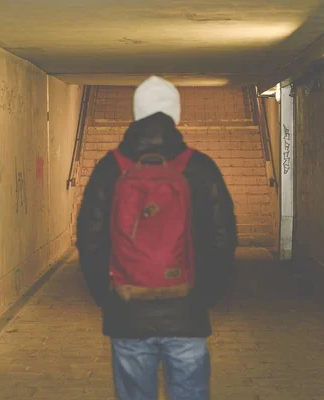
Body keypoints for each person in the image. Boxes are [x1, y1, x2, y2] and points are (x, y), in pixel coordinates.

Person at [76, 76, 238, 400]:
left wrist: (106, 296)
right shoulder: (200, 168)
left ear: (136, 115)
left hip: (127, 314)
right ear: (175, 114)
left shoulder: (110, 168)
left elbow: (89, 239)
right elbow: (223, 238)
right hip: (187, 313)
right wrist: (204, 296)